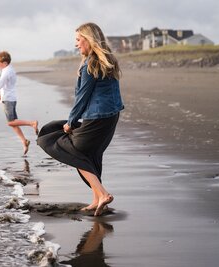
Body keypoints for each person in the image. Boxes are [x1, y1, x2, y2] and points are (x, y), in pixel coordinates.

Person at [37, 22, 124, 216]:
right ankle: (96, 199)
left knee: (72, 150)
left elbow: (82, 97)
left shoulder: (90, 64)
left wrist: (70, 122)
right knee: (90, 154)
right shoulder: (107, 60)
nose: (76, 44)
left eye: (78, 39)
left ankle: (102, 194)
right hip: (110, 116)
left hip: (97, 117)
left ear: (89, 39)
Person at [0, 51, 39, 155]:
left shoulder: (6, 71)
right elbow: (8, 85)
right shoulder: (10, 69)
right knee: (14, 123)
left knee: (11, 122)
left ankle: (32, 123)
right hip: (9, 97)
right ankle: (24, 141)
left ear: (5, 63)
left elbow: (0, 84)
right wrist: (1, 95)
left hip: (9, 99)